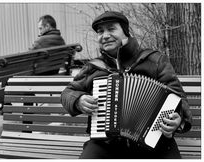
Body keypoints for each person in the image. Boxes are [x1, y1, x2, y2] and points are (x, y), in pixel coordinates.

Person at [61, 11, 192, 159]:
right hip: (107, 143)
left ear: (125, 32)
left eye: (111, 29)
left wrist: (178, 119)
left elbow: (178, 99)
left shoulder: (155, 60)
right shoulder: (94, 67)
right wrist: (78, 100)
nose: (105, 36)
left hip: (155, 141)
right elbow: (67, 92)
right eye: (100, 32)